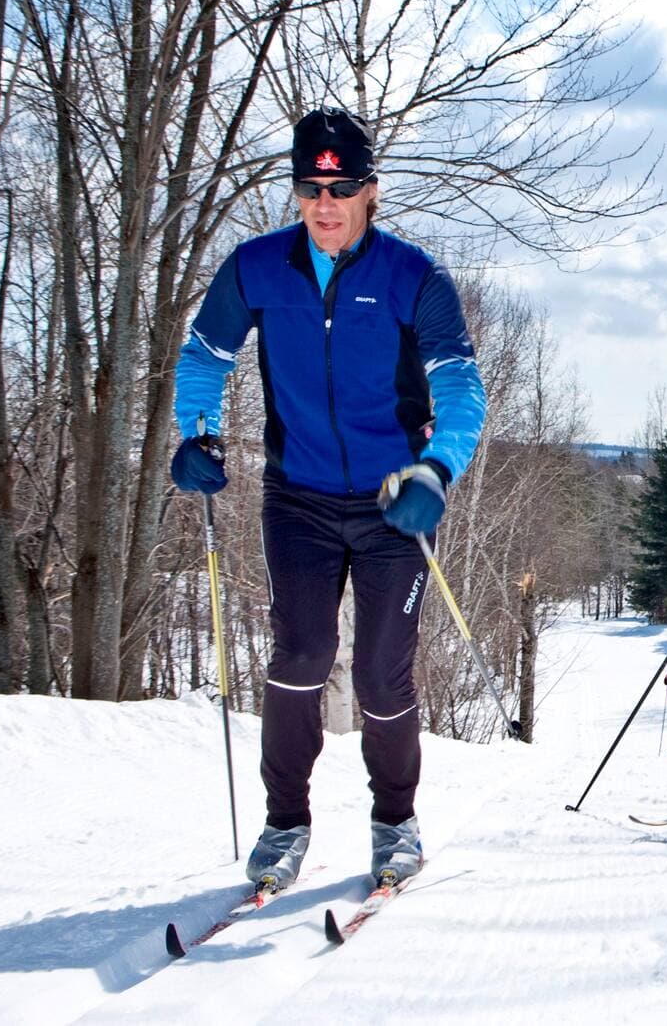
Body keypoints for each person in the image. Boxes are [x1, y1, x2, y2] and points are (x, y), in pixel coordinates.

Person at [170, 107, 486, 889]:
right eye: (310, 186)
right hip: (299, 499)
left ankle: (395, 821)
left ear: (370, 189)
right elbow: (204, 355)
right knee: (302, 655)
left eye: (341, 187)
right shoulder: (257, 266)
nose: (325, 202)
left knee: (381, 673)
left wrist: (435, 471)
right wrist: (198, 434)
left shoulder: (412, 276)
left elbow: (460, 386)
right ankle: (284, 823)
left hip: (392, 503)